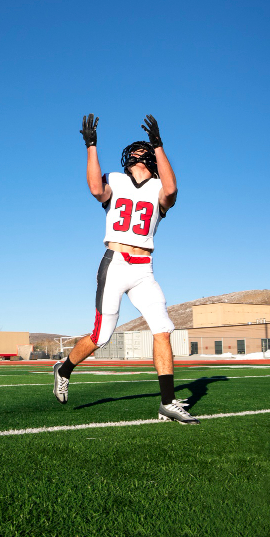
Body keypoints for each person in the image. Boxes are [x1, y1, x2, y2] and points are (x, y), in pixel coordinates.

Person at [53, 113, 199, 424]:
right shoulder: (115, 181)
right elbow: (95, 188)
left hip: (144, 267)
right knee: (101, 335)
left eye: (141, 151)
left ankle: (167, 402)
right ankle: (64, 368)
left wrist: (159, 145)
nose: (134, 154)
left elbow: (172, 191)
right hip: (115, 263)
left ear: (150, 158)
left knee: (163, 327)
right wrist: (91, 145)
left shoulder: (159, 187)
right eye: (133, 152)